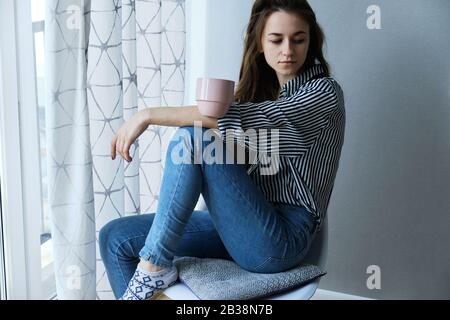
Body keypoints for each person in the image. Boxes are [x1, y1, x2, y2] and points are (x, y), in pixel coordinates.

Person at [99, 0, 345, 300]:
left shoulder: (323, 94)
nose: (288, 50)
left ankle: (154, 265)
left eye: (298, 39)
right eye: (276, 39)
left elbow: (246, 121)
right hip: (240, 223)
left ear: (311, 41)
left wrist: (146, 115)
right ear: (259, 42)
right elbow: (235, 157)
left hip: (280, 240)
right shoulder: (262, 93)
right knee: (115, 237)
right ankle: (149, 276)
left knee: (194, 137)